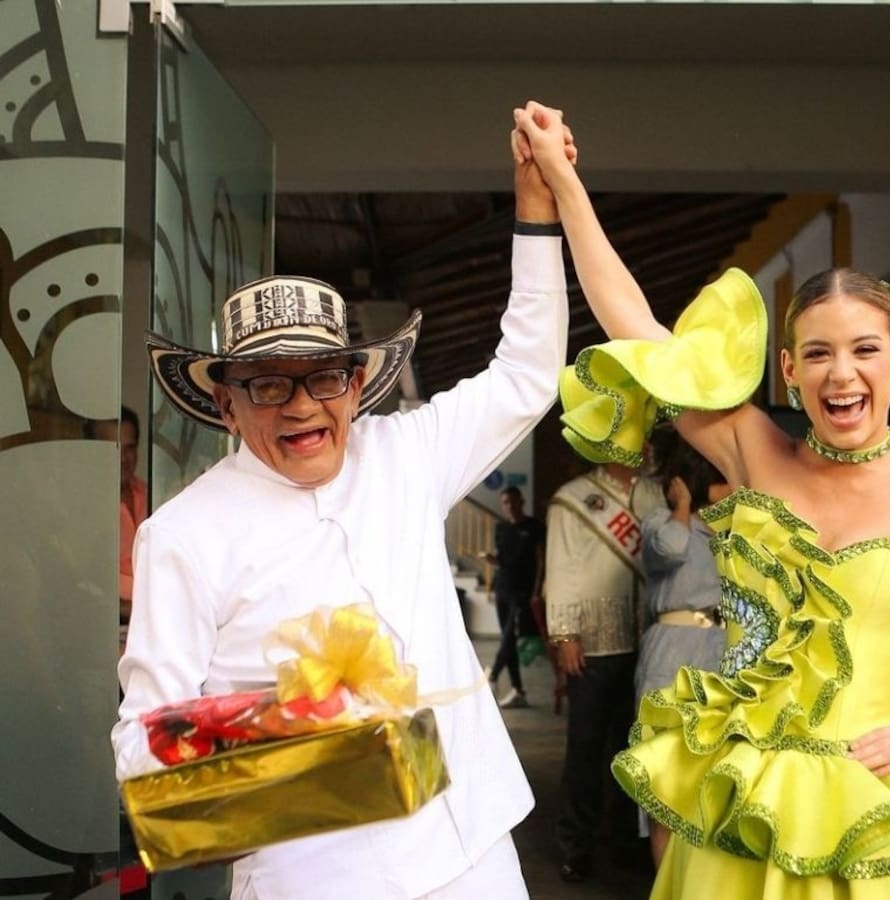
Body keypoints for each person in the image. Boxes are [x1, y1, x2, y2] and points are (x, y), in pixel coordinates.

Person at [515, 101, 890, 899]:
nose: (843, 373)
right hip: (739, 800)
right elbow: (633, 325)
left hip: (869, 813)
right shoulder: (750, 450)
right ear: (788, 369)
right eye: (819, 354)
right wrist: (564, 184)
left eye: (865, 350)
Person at [111, 122, 571, 899]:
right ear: (224, 404)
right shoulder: (183, 536)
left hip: (475, 848)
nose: (301, 407)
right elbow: (142, 741)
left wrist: (534, 208)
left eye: (324, 378)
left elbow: (526, 373)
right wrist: (282, 723)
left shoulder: (404, 455)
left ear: (358, 385)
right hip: (314, 874)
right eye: (268, 384)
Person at [544, 460, 643, 883]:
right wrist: (564, 632)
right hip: (592, 642)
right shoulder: (574, 496)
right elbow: (561, 567)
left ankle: (624, 840)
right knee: (585, 751)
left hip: (645, 640)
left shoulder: (657, 492)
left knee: (631, 750)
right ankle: (576, 845)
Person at [636, 424, 729, 868]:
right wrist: (682, 508)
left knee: (712, 782)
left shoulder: (726, 526)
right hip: (670, 651)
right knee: (664, 785)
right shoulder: (662, 521)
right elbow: (668, 551)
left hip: (721, 648)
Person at [86, 405, 149, 653]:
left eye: (130, 447)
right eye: (115, 449)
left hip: (149, 628)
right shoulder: (77, 506)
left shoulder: (150, 493)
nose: (124, 458)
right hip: (98, 635)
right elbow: (78, 581)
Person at [484, 485, 546, 709]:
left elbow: (541, 561)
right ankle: (518, 690)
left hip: (523, 591)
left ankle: (491, 677)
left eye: (512, 501)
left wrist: (537, 590)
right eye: (505, 503)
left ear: (522, 502)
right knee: (507, 639)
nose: (509, 506)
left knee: (509, 636)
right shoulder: (501, 527)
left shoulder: (535, 527)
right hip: (503, 588)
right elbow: (503, 558)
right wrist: (493, 561)